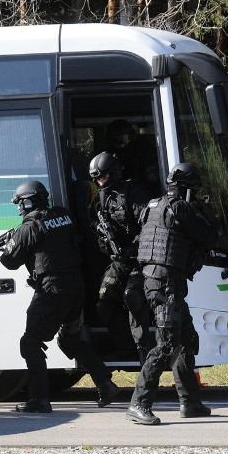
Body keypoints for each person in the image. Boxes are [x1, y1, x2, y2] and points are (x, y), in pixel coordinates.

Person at [0, 180, 118, 413]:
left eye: (20, 203)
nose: (19, 209)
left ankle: (39, 399)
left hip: (52, 291)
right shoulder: (64, 216)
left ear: (29, 201)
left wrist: (11, 241)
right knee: (70, 341)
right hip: (76, 288)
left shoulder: (29, 228)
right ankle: (105, 382)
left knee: (30, 342)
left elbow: (9, 262)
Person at [126, 163, 219, 425]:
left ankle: (190, 402)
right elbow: (210, 236)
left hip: (161, 282)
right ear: (189, 189)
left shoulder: (154, 206)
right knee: (166, 344)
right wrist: (203, 211)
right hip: (164, 284)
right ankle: (138, 403)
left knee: (185, 339)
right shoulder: (180, 208)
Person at [90, 151, 154, 364]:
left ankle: (145, 353)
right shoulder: (101, 194)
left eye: (103, 177)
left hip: (139, 258)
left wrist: (132, 248)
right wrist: (99, 230)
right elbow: (93, 220)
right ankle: (125, 349)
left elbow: (150, 226)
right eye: (97, 179)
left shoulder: (133, 192)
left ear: (114, 173)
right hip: (117, 260)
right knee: (103, 303)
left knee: (132, 299)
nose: (100, 182)